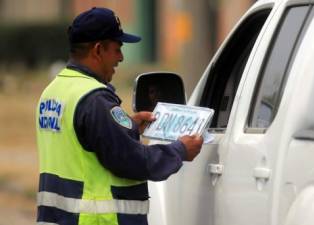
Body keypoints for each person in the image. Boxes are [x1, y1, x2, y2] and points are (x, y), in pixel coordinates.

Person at [35, 7, 203, 225]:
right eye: (117, 48)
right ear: (97, 50)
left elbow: (82, 144)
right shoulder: (95, 100)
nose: (121, 57)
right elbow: (132, 160)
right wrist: (179, 150)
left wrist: (128, 127)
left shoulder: (53, 91)